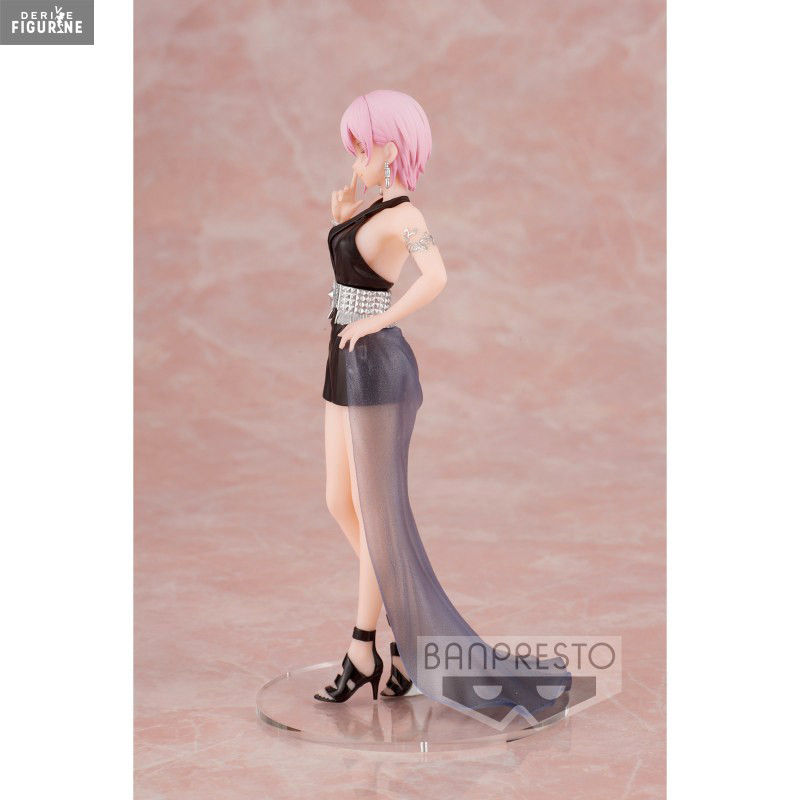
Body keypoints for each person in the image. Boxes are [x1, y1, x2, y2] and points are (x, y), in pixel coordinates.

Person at [316, 90, 570, 723]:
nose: (355, 158)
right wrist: (342, 215)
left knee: (376, 512)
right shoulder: (371, 208)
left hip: (372, 362)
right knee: (340, 500)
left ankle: (364, 648)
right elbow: (353, 266)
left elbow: (436, 276)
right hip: (342, 357)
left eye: (361, 147)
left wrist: (377, 322)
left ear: (390, 148)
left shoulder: (407, 215)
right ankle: (403, 643)